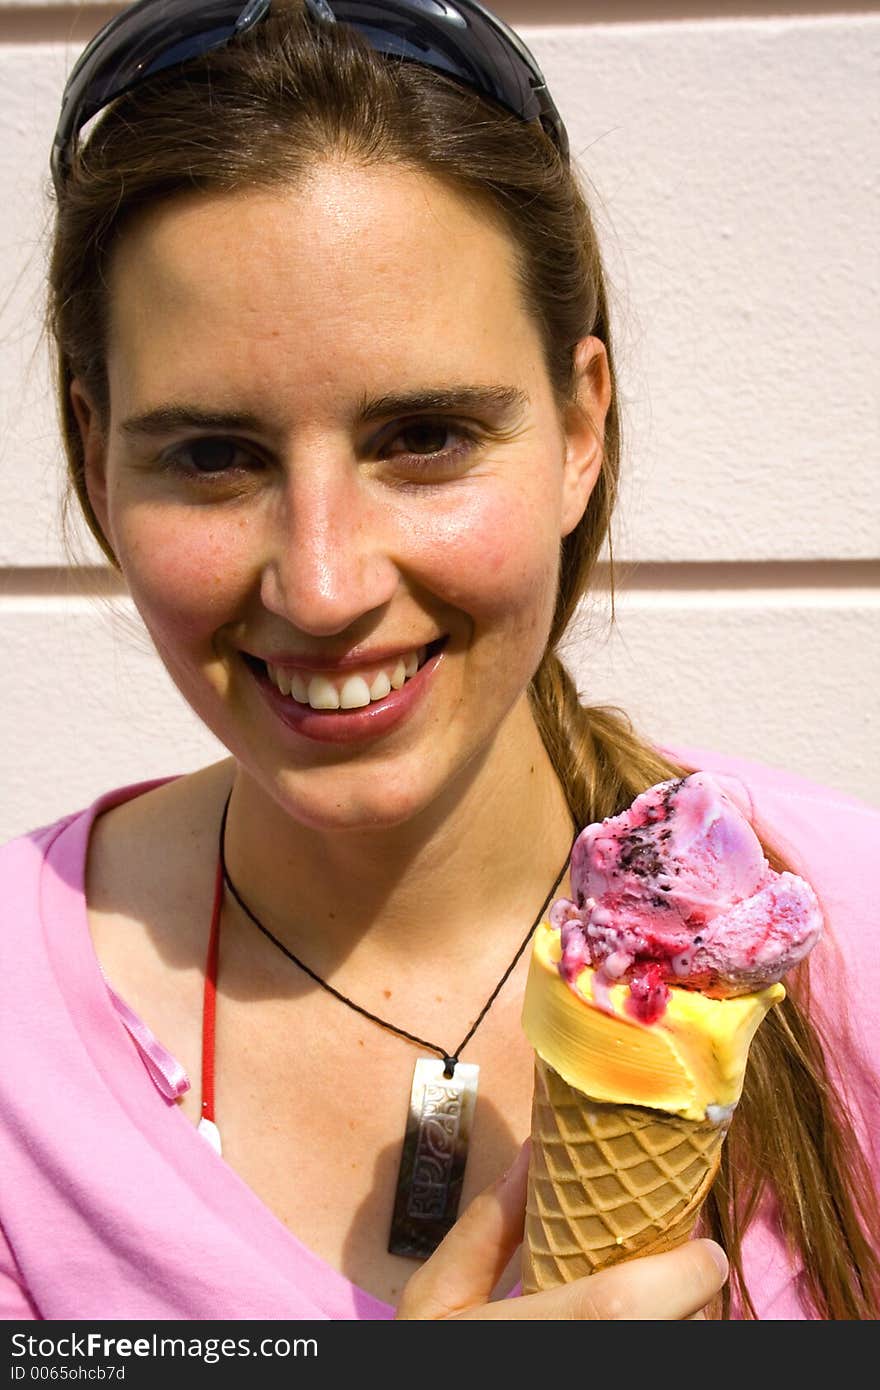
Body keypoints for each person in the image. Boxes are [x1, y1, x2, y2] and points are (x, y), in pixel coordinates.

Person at [0, 0, 877, 1322]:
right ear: (91, 461)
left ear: (583, 423)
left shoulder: (850, 928)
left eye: (424, 435)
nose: (327, 582)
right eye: (211, 455)